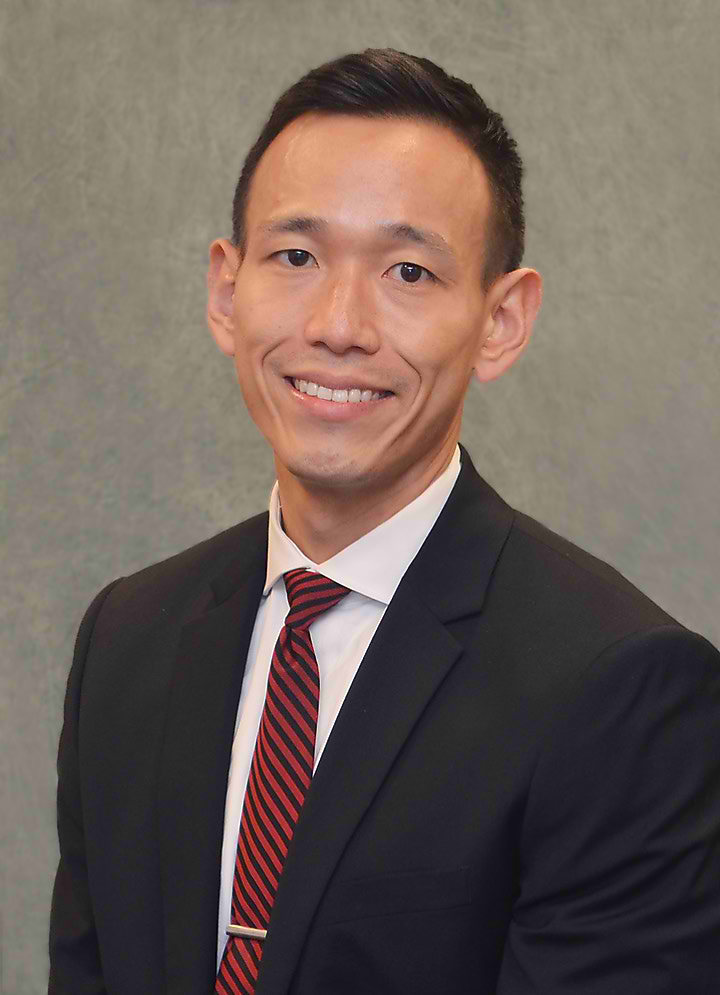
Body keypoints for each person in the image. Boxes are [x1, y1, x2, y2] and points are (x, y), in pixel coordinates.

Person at [49, 49, 720, 995]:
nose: (338, 324)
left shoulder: (622, 690)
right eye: (296, 257)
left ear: (501, 321)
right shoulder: (128, 639)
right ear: (226, 292)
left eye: (408, 270)